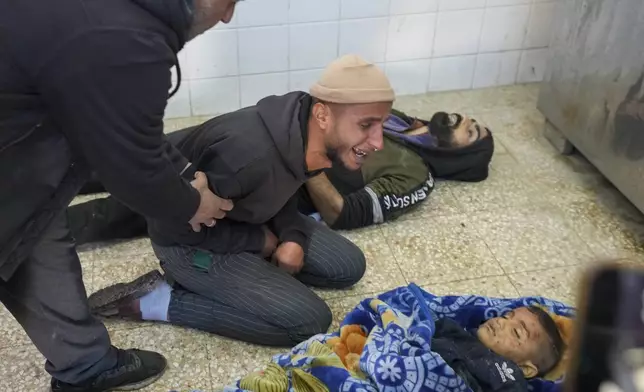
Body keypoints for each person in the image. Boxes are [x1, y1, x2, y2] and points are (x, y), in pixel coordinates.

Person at [1, 1, 242, 391]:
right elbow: (133, 169)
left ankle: (85, 365)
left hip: (16, 159)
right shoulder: (128, 39)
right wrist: (193, 205)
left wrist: (183, 174)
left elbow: (117, 122)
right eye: (230, 3)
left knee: (36, 233)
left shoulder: (115, 21)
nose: (229, 17)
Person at [86, 55, 394, 347]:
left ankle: (251, 273)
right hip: (188, 242)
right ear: (323, 114)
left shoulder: (305, 128)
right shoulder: (246, 158)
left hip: (249, 217)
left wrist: (292, 237)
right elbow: (172, 228)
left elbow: (280, 186)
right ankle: (159, 301)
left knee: (348, 266)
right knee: (310, 320)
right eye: (366, 125)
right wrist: (261, 241)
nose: (379, 142)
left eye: (382, 124)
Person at [67, 109, 494, 242]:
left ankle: (37, 230)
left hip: (271, 176)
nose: (464, 120)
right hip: (252, 130)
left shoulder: (415, 175)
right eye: (471, 121)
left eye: (470, 131)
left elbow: (344, 214)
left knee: (147, 202)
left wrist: (304, 159)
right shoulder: (401, 117)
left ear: (461, 156)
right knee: (139, 154)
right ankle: (41, 182)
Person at [433, 306, 565, 391]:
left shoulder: (508, 375)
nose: (501, 322)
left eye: (516, 332)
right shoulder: (457, 331)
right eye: (506, 316)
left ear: (525, 368)